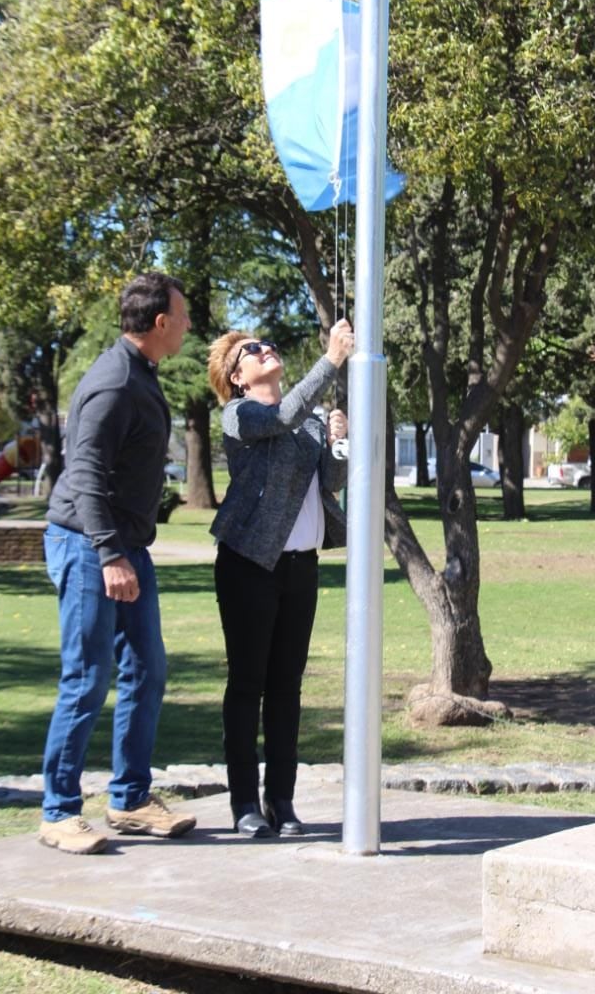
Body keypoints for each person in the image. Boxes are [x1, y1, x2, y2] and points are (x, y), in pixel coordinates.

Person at [39, 272, 197, 854]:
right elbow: (83, 474)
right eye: (181, 317)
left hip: (124, 546)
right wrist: (108, 554)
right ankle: (58, 812)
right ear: (159, 323)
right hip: (89, 546)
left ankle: (130, 799)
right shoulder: (113, 383)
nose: (186, 326)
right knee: (86, 678)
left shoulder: (139, 375)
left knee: (147, 670)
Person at [207, 318, 353, 838]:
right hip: (248, 565)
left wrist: (338, 442)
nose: (265, 349)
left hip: (299, 568)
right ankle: (245, 803)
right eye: (253, 349)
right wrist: (331, 359)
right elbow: (283, 415)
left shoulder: (308, 421)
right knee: (248, 686)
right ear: (238, 376)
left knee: (286, 689)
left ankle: (282, 803)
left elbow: (331, 483)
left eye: (267, 344)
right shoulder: (238, 416)